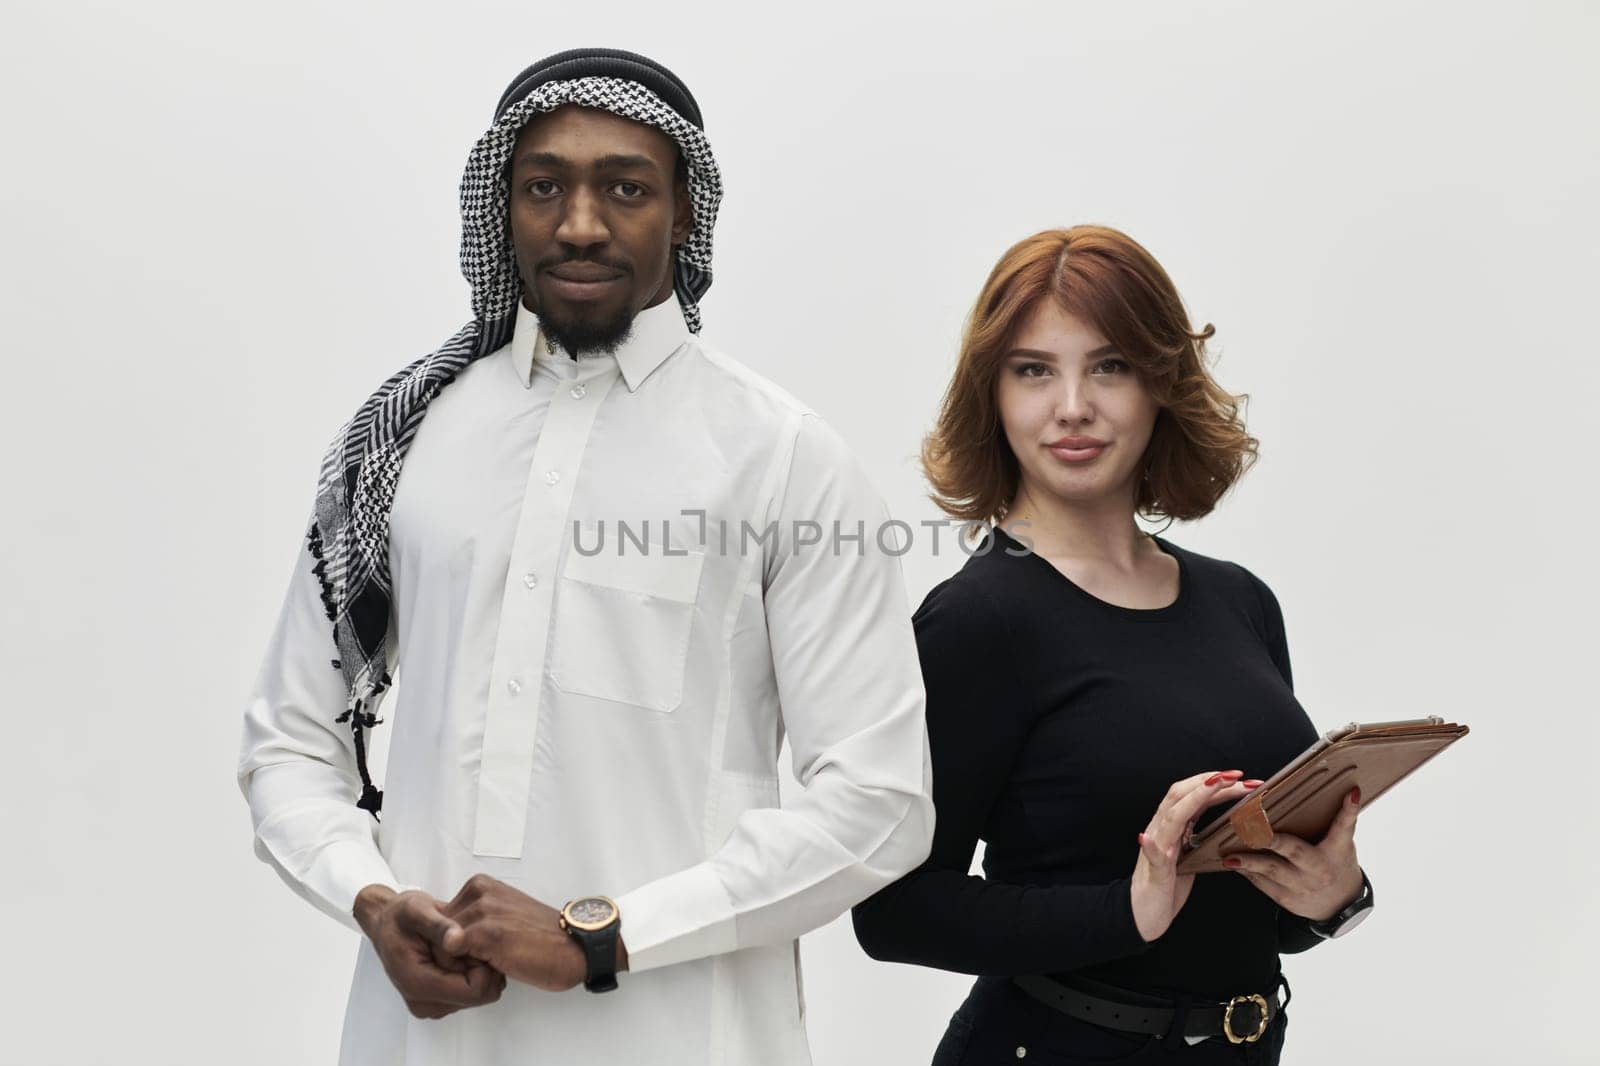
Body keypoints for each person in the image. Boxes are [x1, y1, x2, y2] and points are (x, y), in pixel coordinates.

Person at [237, 48, 933, 1066]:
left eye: (626, 187)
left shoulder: (783, 459)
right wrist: (371, 896)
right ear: (502, 204)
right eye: (543, 186)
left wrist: (601, 939)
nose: (579, 223)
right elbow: (290, 745)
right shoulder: (404, 441)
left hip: (686, 1038)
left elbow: (879, 803)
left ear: (686, 211)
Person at [851, 225, 1372, 1064]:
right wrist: (1124, 911)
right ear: (992, 395)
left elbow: (1251, 919)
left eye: (1110, 366)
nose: (1072, 407)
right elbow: (891, 912)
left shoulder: (1240, 601)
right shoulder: (978, 622)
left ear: (1161, 383)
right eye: (1033, 371)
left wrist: (1331, 897)